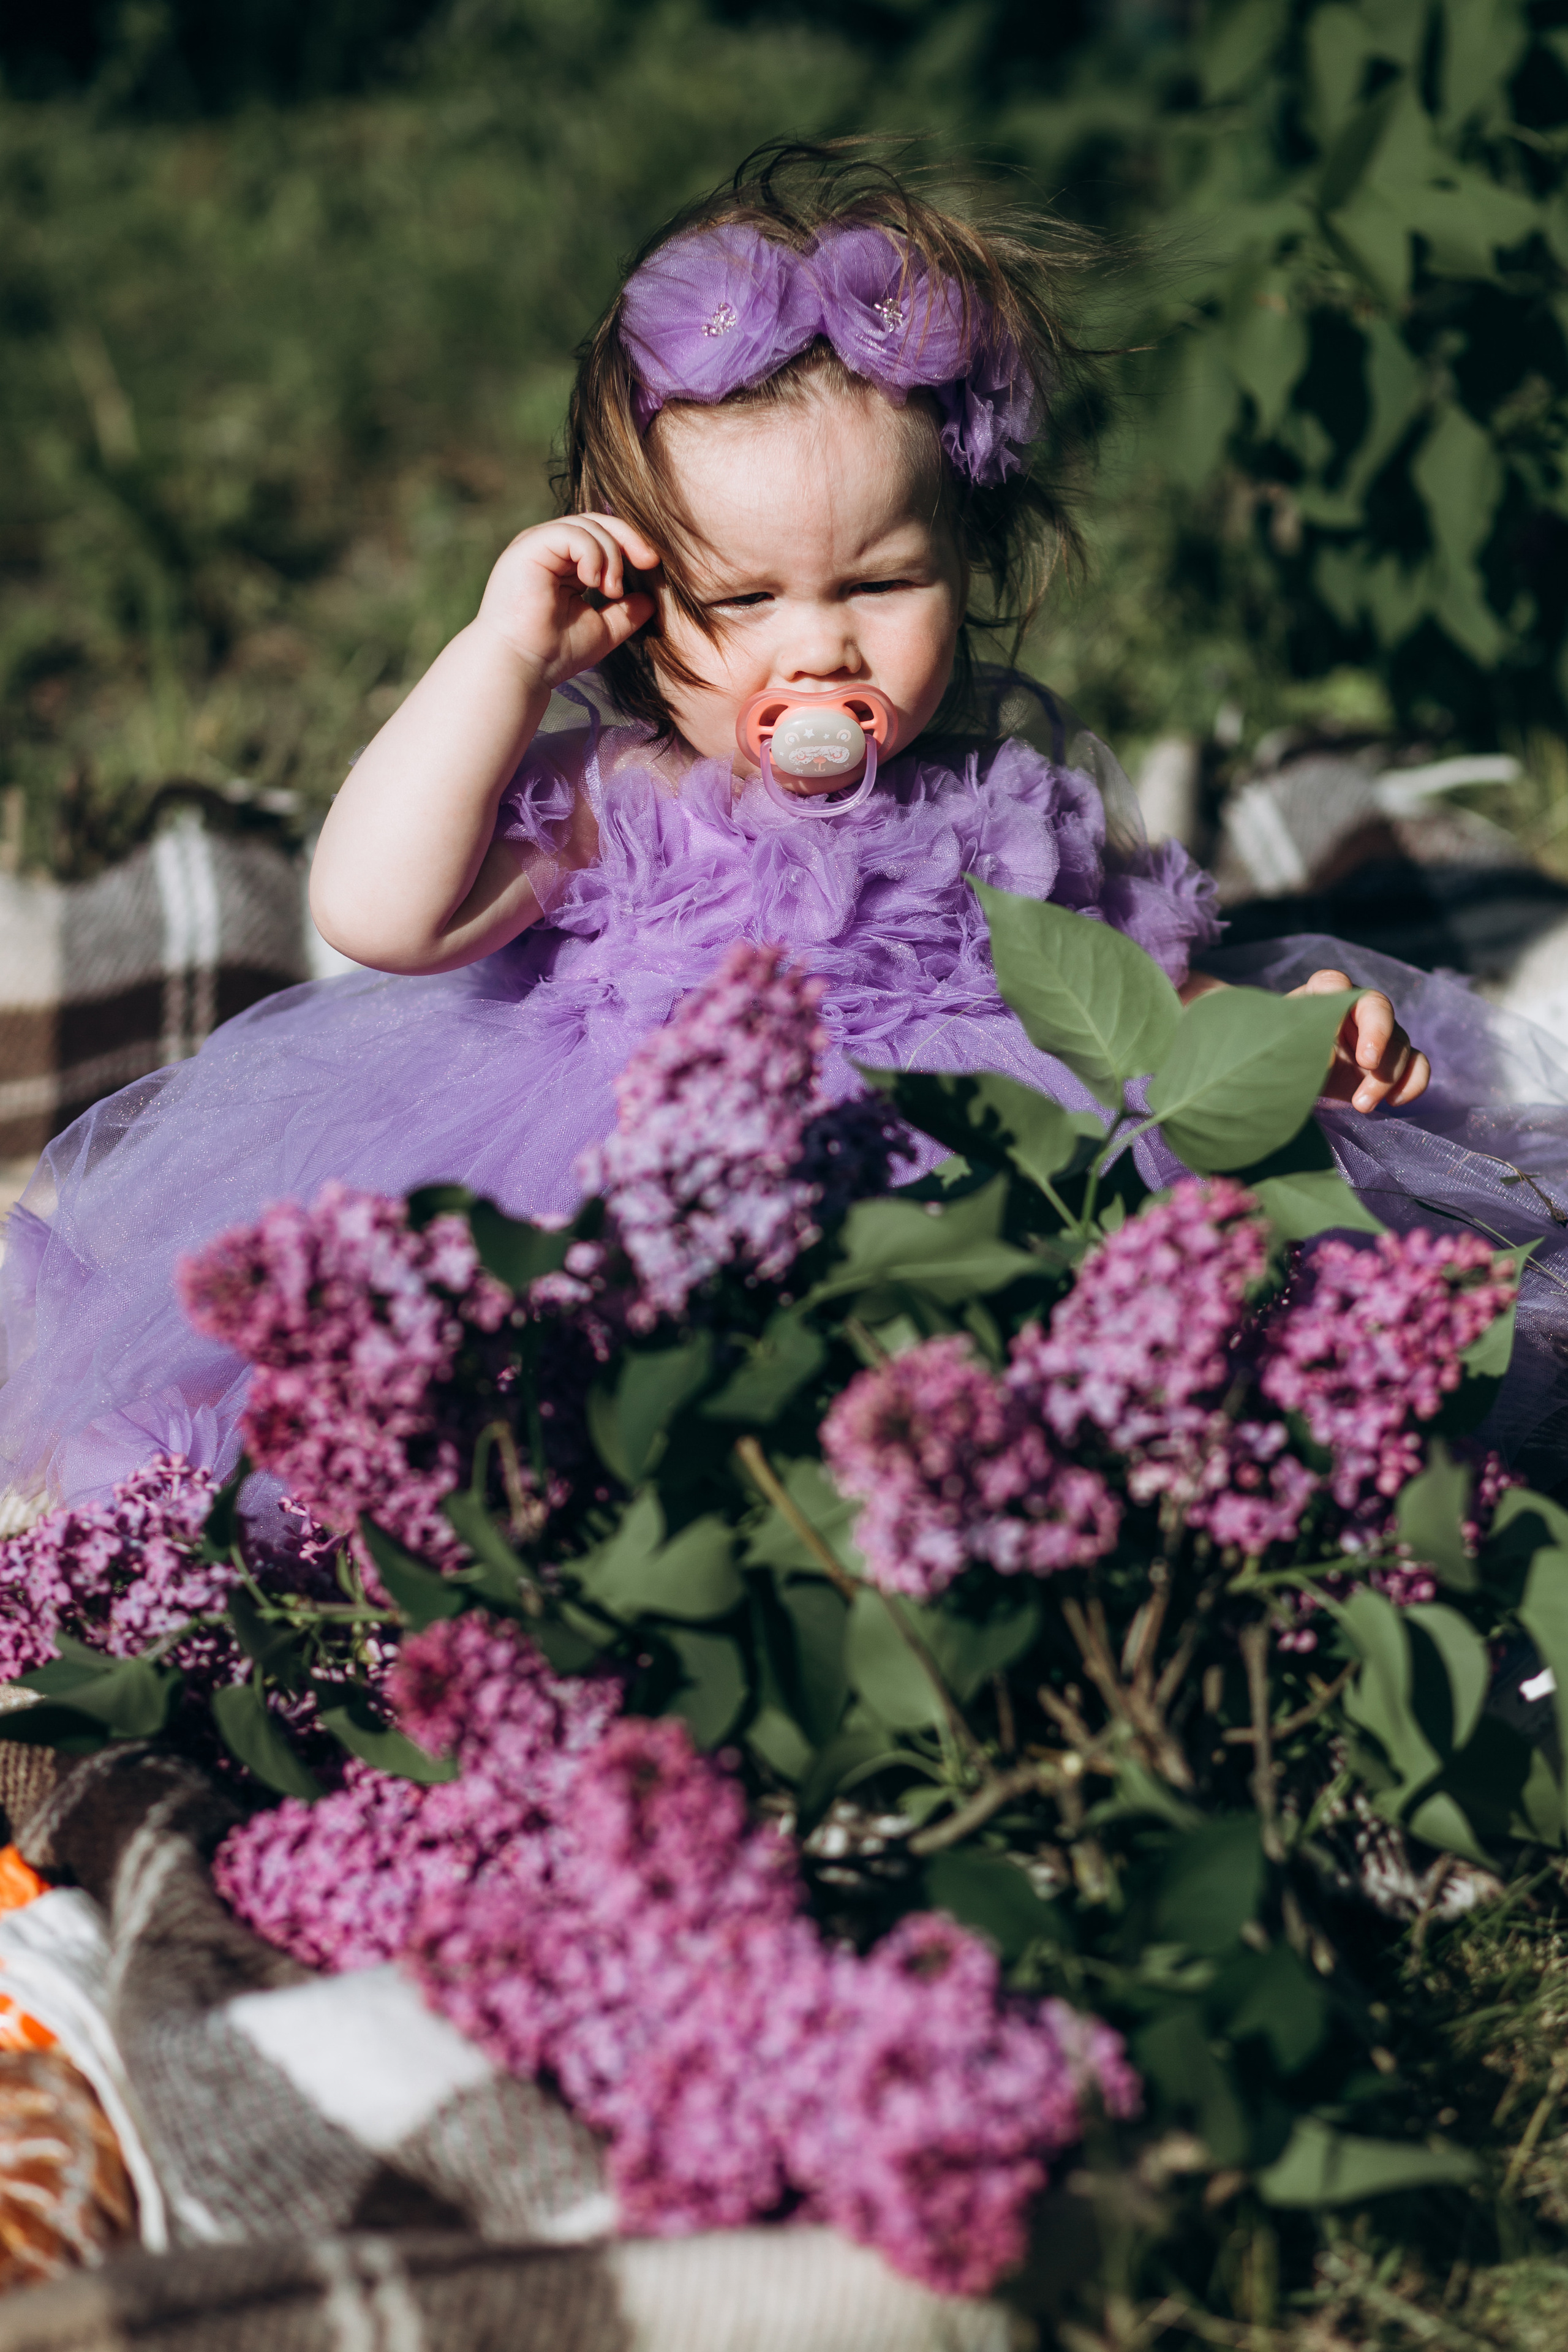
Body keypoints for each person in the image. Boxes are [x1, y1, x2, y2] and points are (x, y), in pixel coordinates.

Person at [2, 146, 1566, 1512]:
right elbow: (378, 913)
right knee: (470, 1427)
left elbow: (1125, 1009)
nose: (815, 646)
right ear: (635, 600)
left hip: (959, 1223)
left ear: (964, 562)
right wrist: (500, 656)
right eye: (742, 599)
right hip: (622, 1197)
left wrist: (1279, 1041)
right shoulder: (619, 800)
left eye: (878, 583)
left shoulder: (992, 817)